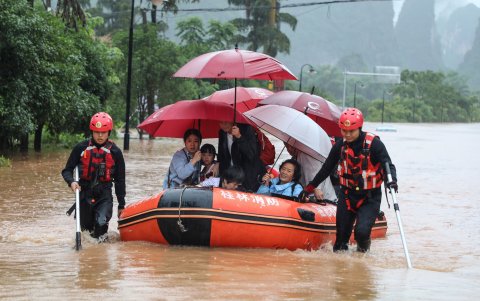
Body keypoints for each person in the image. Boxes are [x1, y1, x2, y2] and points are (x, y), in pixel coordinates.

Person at [304, 108, 398, 253]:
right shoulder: (340, 146)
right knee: (340, 239)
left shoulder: (374, 144)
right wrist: (310, 187)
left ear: (359, 128)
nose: (347, 135)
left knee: (361, 233)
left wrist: (392, 181)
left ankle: (362, 258)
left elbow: (388, 165)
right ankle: (343, 270)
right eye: (344, 131)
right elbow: (327, 168)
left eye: (351, 131)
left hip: (370, 197)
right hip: (347, 196)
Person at [61, 112, 126, 241]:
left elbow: (120, 180)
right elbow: (66, 171)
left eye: (103, 132)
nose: (100, 135)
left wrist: (121, 205)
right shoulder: (81, 148)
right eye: (96, 132)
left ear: (109, 132)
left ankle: (100, 257)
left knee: (101, 225)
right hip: (84, 194)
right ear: (92, 131)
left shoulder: (116, 152)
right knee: (87, 232)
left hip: (104, 194)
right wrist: (72, 182)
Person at [217, 121, 266, 192]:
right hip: (231, 173)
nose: (224, 125)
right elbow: (221, 152)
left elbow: (251, 155)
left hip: (248, 173)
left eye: (226, 122)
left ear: (232, 120)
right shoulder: (222, 132)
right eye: (221, 122)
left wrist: (239, 137)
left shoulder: (247, 129)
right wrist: (218, 163)